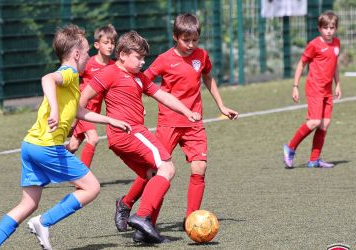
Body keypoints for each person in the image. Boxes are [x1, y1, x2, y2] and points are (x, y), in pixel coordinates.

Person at [0, 24, 130, 250]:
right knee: (91, 188)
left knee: (28, 204)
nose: (88, 56)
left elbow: (79, 111)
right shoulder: (68, 73)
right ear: (77, 54)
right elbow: (47, 79)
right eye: (86, 51)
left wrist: (110, 120)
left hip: (30, 145)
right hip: (47, 146)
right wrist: (55, 111)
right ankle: (43, 222)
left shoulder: (73, 79)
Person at [113, 13, 239, 233]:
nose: (191, 45)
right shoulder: (164, 59)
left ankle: (192, 220)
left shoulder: (202, 56)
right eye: (185, 40)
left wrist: (221, 105)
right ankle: (128, 204)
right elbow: (143, 81)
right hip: (169, 123)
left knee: (200, 167)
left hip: (194, 121)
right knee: (154, 170)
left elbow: (208, 77)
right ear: (175, 37)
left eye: (194, 40)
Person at [79, 30, 201, 243]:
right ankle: (143, 216)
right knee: (168, 167)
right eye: (139, 57)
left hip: (120, 139)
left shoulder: (138, 77)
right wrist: (106, 120)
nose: (143, 62)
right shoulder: (109, 73)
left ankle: (139, 226)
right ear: (123, 54)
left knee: (153, 175)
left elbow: (162, 95)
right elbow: (80, 103)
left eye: (145, 58)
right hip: (130, 133)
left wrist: (185, 111)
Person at [283, 11, 340, 169]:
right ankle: (290, 148)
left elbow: (335, 65)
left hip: (328, 90)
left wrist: (338, 84)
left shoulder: (336, 43)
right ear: (319, 28)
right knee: (314, 121)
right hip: (315, 88)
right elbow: (302, 64)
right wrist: (295, 86)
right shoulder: (314, 44)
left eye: (332, 27)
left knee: (324, 124)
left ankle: (314, 159)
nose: (329, 30)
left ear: (336, 28)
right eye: (325, 27)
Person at [66, 24, 117, 168]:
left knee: (73, 146)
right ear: (96, 44)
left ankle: (47, 167)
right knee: (93, 139)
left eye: (112, 43)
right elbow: (72, 76)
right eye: (106, 43)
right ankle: (83, 178)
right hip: (83, 108)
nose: (110, 46)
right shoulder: (88, 63)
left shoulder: (113, 67)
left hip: (94, 111)